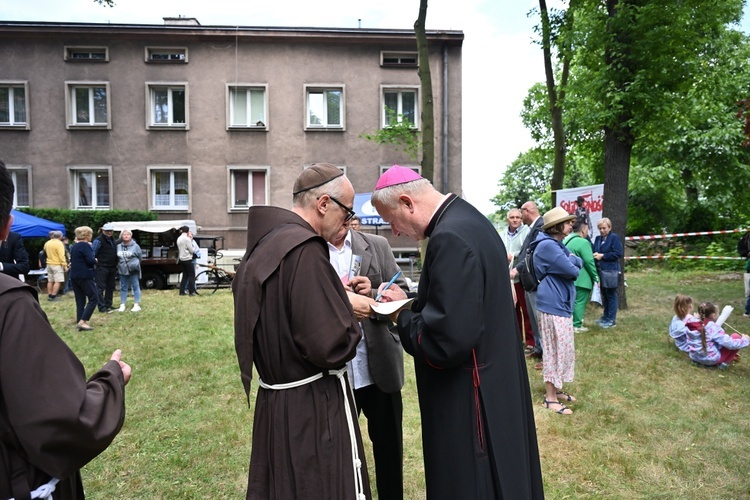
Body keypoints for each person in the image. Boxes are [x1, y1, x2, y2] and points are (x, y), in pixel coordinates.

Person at [372, 165, 543, 499]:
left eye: (391, 220)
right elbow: (462, 301)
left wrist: (401, 316)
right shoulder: (471, 220)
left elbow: (446, 343)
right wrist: (412, 299)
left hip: (471, 397)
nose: (394, 231)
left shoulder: (448, 238)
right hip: (497, 379)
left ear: (407, 202)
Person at [233, 163, 374, 499]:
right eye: (346, 211)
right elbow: (330, 344)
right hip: (311, 406)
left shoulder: (266, 244)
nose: (349, 220)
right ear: (323, 204)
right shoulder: (305, 250)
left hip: (277, 398)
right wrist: (350, 313)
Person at [0, 160, 131, 499]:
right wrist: (112, 377)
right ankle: (86, 317)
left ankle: (85, 314)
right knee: (88, 301)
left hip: (74, 275)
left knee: (84, 300)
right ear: (6, 229)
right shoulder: (10, 305)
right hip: (14, 479)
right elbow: (63, 423)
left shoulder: (75, 245)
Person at [328, 220, 408, 500]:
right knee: (337, 451)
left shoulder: (377, 245)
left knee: (389, 448)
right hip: (335, 371)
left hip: (379, 369)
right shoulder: (311, 249)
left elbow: (401, 292)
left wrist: (373, 292)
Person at [531, 207, 582, 415]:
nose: (572, 224)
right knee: (554, 350)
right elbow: (574, 270)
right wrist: (572, 260)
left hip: (558, 304)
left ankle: (557, 389)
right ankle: (550, 398)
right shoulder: (548, 247)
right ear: (556, 226)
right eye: (568, 222)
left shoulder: (556, 245)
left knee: (563, 349)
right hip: (552, 305)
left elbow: (574, 262)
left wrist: (571, 259)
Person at [510, 201, 545, 367]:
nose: (519, 217)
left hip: (533, 279)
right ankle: (538, 349)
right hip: (528, 280)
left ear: (527, 211)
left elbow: (531, 253)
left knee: (538, 318)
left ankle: (545, 353)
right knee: (531, 315)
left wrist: (516, 269)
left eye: (520, 214)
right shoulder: (534, 227)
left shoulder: (540, 226)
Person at [500, 208, 535, 351]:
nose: (515, 220)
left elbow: (527, 251)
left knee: (526, 310)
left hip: (522, 278)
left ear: (521, 219)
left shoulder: (526, 232)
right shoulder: (501, 234)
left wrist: (512, 255)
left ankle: (531, 342)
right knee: (512, 312)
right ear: (507, 219)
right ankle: (516, 340)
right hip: (507, 279)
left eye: (518, 217)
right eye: (512, 217)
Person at [564, 216, 599, 332]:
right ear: (583, 229)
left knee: (571, 301)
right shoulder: (583, 242)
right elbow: (589, 262)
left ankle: (569, 323)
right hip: (582, 278)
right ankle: (577, 325)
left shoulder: (566, 240)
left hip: (568, 277)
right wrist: (596, 277)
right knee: (580, 301)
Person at [689, 301, 750, 368]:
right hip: (710, 359)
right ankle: (724, 364)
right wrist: (745, 340)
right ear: (713, 315)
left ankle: (699, 363)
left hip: (694, 356)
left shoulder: (692, 322)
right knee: (736, 336)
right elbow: (730, 344)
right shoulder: (713, 328)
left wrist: (695, 318)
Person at [593, 217, 623, 328]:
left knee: (611, 295)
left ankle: (611, 319)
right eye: (600, 228)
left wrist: (603, 256)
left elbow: (618, 253)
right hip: (600, 270)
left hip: (611, 270)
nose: (602, 230)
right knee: (604, 294)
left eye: (604, 228)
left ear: (609, 228)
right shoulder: (597, 239)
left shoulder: (614, 238)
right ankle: (605, 316)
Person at [69, 226, 98, 331]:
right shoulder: (85, 246)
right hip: (85, 275)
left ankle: (79, 321)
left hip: (74, 276)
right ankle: (83, 321)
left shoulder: (74, 246)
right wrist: (95, 260)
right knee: (94, 298)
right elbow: (90, 260)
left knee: (80, 300)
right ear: (87, 235)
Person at [92, 223, 118, 313]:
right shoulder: (98, 241)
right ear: (103, 231)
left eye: (111, 231)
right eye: (107, 231)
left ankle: (108, 304)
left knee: (110, 287)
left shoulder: (112, 240)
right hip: (102, 266)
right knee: (100, 287)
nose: (109, 232)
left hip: (112, 266)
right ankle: (101, 306)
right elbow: (93, 253)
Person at [116, 229, 142, 312]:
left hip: (133, 269)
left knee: (135, 285)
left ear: (131, 236)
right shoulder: (118, 246)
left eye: (128, 234)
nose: (126, 236)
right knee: (123, 286)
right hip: (122, 269)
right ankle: (122, 304)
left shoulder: (136, 246)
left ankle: (136, 304)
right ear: (121, 236)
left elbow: (140, 257)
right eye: (124, 234)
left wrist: (135, 264)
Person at [43, 230, 67, 301]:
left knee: (50, 280)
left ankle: (49, 294)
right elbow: (61, 256)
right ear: (60, 236)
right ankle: (53, 296)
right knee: (58, 281)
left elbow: (44, 252)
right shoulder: (59, 244)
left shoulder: (47, 243)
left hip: (49, 263)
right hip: (57, 264)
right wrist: (64, 265)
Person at [177, 226, 196, 296]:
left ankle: (182, 291)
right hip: (188, 258)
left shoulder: (179, 238)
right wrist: (193, 251)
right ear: (188, 231)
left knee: (185, 275)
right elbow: (191, 250)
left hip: (182, 259)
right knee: (192, 275)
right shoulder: (187, 239)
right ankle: (191, 291)